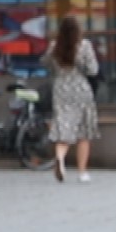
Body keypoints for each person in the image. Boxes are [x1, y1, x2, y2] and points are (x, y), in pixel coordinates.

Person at [43, 15, 100, 184]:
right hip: (81, 90)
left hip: (61, 90)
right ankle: (82, 173)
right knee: (83, 133)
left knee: (64, 128)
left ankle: (60, 157)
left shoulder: (55, 46)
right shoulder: (84, 46)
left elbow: (45, 63)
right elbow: (93, 70)